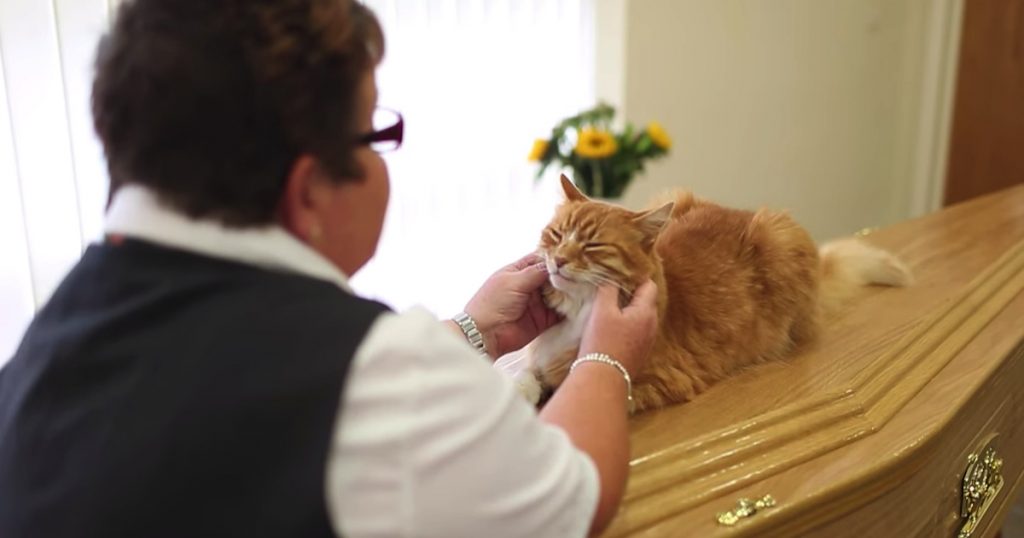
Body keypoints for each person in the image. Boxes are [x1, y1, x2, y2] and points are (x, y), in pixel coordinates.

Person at [0, 1, 659, 537]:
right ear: (309, 188)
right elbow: (575, 496)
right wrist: (607, 360)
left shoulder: (35, 361)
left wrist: (472, 328)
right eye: (375, 131)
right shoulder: (378, 376)